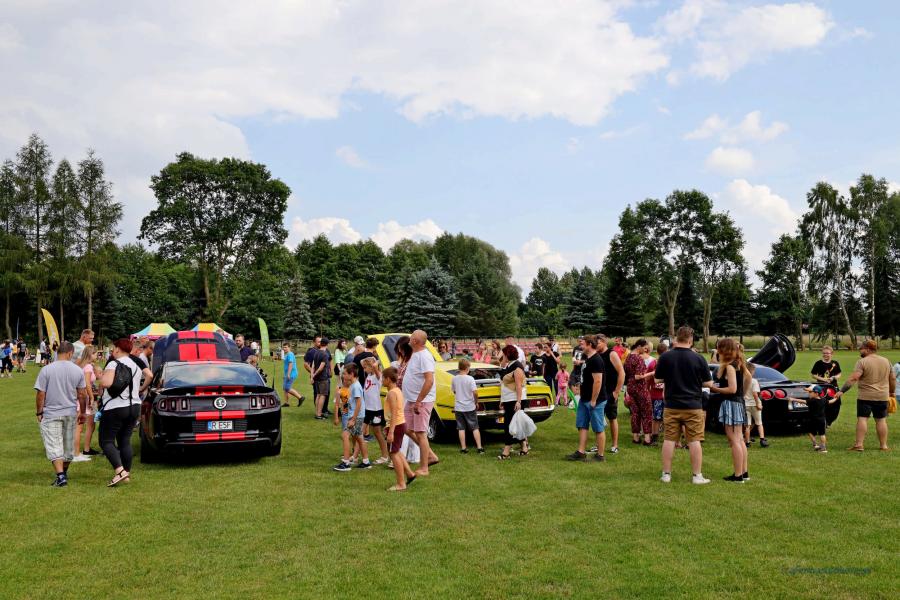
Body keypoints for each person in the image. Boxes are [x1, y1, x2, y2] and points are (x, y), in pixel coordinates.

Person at [654, 326, 712, 484]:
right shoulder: (699, 358)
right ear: (690, 339)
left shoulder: (665, 357)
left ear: (676, 338)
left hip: (671, 404)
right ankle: (697, 476)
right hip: (693, 405)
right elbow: (708, 382)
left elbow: (657, 379)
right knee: (694, 440)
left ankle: (666, 474)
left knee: (669, 439)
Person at [34, 341, 88, 487]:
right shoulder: (77, 370)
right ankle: (63, 473)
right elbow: (82, 394)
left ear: (58, 352)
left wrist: (39, 411)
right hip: (70, 412)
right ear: (70, 353)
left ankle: (61, 476)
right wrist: (83, 412)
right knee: (68, 446)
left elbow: (41, 393)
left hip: (51, 412)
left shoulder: (46, 370)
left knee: (54, 444)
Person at [98, 338, 144, 487]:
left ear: (118, 349)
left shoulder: (113, 363)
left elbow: (106, 383)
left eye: (114, 348)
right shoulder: (136, 365)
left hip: (116, 406)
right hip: (134, 406)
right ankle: (126, 473)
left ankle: (120, 471)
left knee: (106, 441)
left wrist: (100, 376)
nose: (112, 350)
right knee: (124, 440)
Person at [835, 340, 895, 452]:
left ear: (867, 349)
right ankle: (883, 446)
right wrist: (892, 392)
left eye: (861, 348)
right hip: (882, 396)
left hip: (865, 396)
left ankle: (859, 445)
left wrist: (842, 391)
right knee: (881, 420)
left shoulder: (862, 362)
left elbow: (854, 378)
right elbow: (892, 378)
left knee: (862, 419)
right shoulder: (886, 361)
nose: (859, 350)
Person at [708, 338, 750, 482]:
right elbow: (749, 378)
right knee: (740, 439)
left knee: (734, 440)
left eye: (719, 348)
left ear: (723, 350)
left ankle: (738, 476)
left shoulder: (730, 367)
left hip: (731, 404)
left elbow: (732, 389)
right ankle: (744, 472)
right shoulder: (738, 363)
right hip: (738, 403)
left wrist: (714, 389)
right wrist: (742, 395)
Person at [404, 330, 440, 475]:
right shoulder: (415, 354)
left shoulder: (425, 356)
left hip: (422, 401)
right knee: (406, 428)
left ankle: (424, 467)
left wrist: (419, 401)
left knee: (420, 433)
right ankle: (430, 455)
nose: (409, 338)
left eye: (411, 337)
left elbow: (429, 380)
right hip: (412, 400)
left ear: (415, 341)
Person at [567, 335, 607, 462]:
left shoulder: (596, 360)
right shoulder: (588, 358)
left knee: (598, 428)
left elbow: (598, 381)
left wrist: (593, 400)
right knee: (582, 425)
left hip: (595, 401)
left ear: (589, 344)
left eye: (583, 344)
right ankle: (581, 452)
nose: (581, 346)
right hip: (585, 399)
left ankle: (600, 456)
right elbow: (587, 378)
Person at [333, 363, 370, 471]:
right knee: (359, 438)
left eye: (345, 373)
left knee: (345, 435)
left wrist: (353, 419)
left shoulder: (356, 386)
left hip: (355, 417)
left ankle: (346, 463)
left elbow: (359, 403)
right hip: (356, 416)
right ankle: (366, 462)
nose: (343, 375)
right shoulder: (353, 385)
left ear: (352, 374)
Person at [383, 367, 416, 491]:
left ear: (388, 379)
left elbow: (394, 413)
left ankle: (401, 484)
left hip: (396, 426)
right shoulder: (397, 390)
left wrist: (390, 432)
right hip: (399, 424)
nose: (382, 381)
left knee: (393, 453)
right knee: (396, 451)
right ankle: (410, 474)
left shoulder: (392, 393)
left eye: (383, 378)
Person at [498, 345, 528, 459]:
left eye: (503, 354)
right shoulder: (509, 365)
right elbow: (504, 382)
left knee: (509, 425)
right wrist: (502, 400)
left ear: (507, 355)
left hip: (515, 400)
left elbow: (519, 386)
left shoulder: (517, 367)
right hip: (508, 399)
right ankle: (524, 447)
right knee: (517, 424)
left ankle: (507, 450)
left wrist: (518, 402)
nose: (502, 356)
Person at [597, 334, 625, 454]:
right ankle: (598, 444)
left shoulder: (611, 354)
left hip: (610, 392)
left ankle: (615, 445)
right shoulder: (597, 355)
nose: (595, 345)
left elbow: (622, 373)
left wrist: (616, 392)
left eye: (598, 343)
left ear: (604, 342)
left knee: (612, 418)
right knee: (598, 418)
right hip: (599, 392)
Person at [624, 339, 654, 446]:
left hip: (630, 387)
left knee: (635, 413)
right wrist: (651, 373)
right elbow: (638, 376)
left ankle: (635, 437)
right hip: (640, 387)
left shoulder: (628, 357)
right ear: (639, 346)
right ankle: (647, 439)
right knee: (647, 411)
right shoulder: (638, 358)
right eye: (645, 348)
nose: (645, 350)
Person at [72, 345, 100, 461]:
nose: (97, 356)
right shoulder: (88, 366)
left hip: (82, 397)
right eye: (96, 354)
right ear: (91, 354)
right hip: (85, 398)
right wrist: (92, 397)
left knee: (83, 426)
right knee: (79, 427)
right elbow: (87, 383)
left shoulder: (82, 365)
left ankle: (80, 451)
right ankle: (76, 453)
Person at [361, 357, 390, 464]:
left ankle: (385, 456)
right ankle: (355, 455)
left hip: (376, 410)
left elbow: (375, 366)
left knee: (377, 433)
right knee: (359, 432)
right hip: (367, 409)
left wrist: (375, 363)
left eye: (365, 367)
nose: (364, 369)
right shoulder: (369, 375)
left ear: (372, 367)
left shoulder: (378, 377)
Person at [451, 358, 483, 454]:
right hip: (470, 406)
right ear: (467, 368)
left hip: (458, 407)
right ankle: (479, 447)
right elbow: (475, 392)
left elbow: (454, 391)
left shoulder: (454, 378)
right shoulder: (470, 379)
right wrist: (476, 402)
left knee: (461, 428)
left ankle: (463, 448)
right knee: (475, 427)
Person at [794, 385, 837, 452]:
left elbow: (802, 401)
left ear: (816, 393)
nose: (810, 393)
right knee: (822, 434)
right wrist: (836, 398)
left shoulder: (812, 401)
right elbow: (831, 401)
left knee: (810, 432)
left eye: (811, 392)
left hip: (813, 420)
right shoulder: (823, 400)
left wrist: (793, 399)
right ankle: (823, 448)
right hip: (822, 420)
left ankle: (815, 444)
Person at [743, 363, 768, 448]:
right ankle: (762, 440)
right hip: (754, 404)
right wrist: (758, 403)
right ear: (752, 371)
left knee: (747, 425)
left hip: (745, 404)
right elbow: (755, 394)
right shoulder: (754, 381)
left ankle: (747, 442)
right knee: (759, 423)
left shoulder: (741, 380)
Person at [648, 343, 666, 444]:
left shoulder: (652, 363)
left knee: (656, 417)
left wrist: (647, 390)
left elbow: (647, 380)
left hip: (655, 394)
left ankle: (654, 436)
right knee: (662, 417)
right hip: (664, 395)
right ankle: (660, 436)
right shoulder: (669, 363)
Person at [311, 337, 332, 420]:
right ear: (327, 344)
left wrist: (312, 376)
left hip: (317, 378)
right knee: (322, 395)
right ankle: (319, 414)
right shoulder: (325, 354)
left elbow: (313, 366)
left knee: (318, 395)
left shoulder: (316, 352)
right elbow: (321, 367)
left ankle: (317, 413)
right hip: (323, 378)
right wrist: (314, 375)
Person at [281, 343, 304, 407]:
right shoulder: (287, 355)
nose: (284, 349)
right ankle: (286, 403)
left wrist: (288, 374)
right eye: (283, 347)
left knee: (287, 388)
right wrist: (285, 374)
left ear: (289, 348)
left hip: (291, 374)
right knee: (285, 388)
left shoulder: (290, 354)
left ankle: (300, 397)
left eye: (286, 347)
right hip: (287, 374)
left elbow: (291, 364)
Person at [570, 337, 584, 405]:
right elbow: (573, 357)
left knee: (579, 385)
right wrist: (574, 361)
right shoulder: (576, 348)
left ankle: (579, 400)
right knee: (571, 383)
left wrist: (580, 362)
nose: (580, 342)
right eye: (579, 341)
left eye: (581, 341)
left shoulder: (585, 349)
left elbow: (588, 360)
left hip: (582, 370)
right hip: (575, 369)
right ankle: (575, 398)